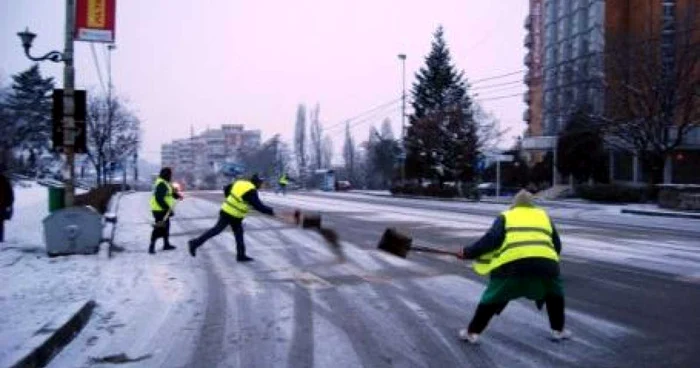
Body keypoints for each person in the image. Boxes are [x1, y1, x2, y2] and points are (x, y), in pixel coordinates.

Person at [456, 189, 570, 344]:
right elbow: (557, 245)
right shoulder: (543, 216)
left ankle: (472, 333)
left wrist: (467, 252)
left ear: (514, 205)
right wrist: (547, 262)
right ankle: (559, 330)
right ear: (532, 205)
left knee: (491, 298)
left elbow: (491, 240)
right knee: (555, 296)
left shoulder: (506, 216)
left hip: (512, 265)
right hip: (547, 264)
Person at [188, 174, 275, 262]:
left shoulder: (241, 183)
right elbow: (258, 206)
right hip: (229, 214)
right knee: (216, 230)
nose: (261, 185)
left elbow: (226, 188)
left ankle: (241, 255)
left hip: (231, 213)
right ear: (257, 182)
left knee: (239, 234)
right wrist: (271, 211)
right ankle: (194, 243)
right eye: (261, 183)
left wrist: (230, 199)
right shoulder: (251, 191)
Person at [149, 167, 182, 254]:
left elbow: (170, 193)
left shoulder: (165, 183)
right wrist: (167, 209)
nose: (171, 176)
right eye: (170, 174)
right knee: (159, 227)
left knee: (166, 227)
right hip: (159, 209)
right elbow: (159, 198)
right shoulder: (161, 183)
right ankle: (151, 246)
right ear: (166, 174)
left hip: (163, 209)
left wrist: (178, 196)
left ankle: (166, 244)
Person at [0, 170, 14, 243]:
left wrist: (8, 205)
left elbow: (10, 195)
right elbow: (10, 195)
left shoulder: (4, 181)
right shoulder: (5, 181)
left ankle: (0, 240)